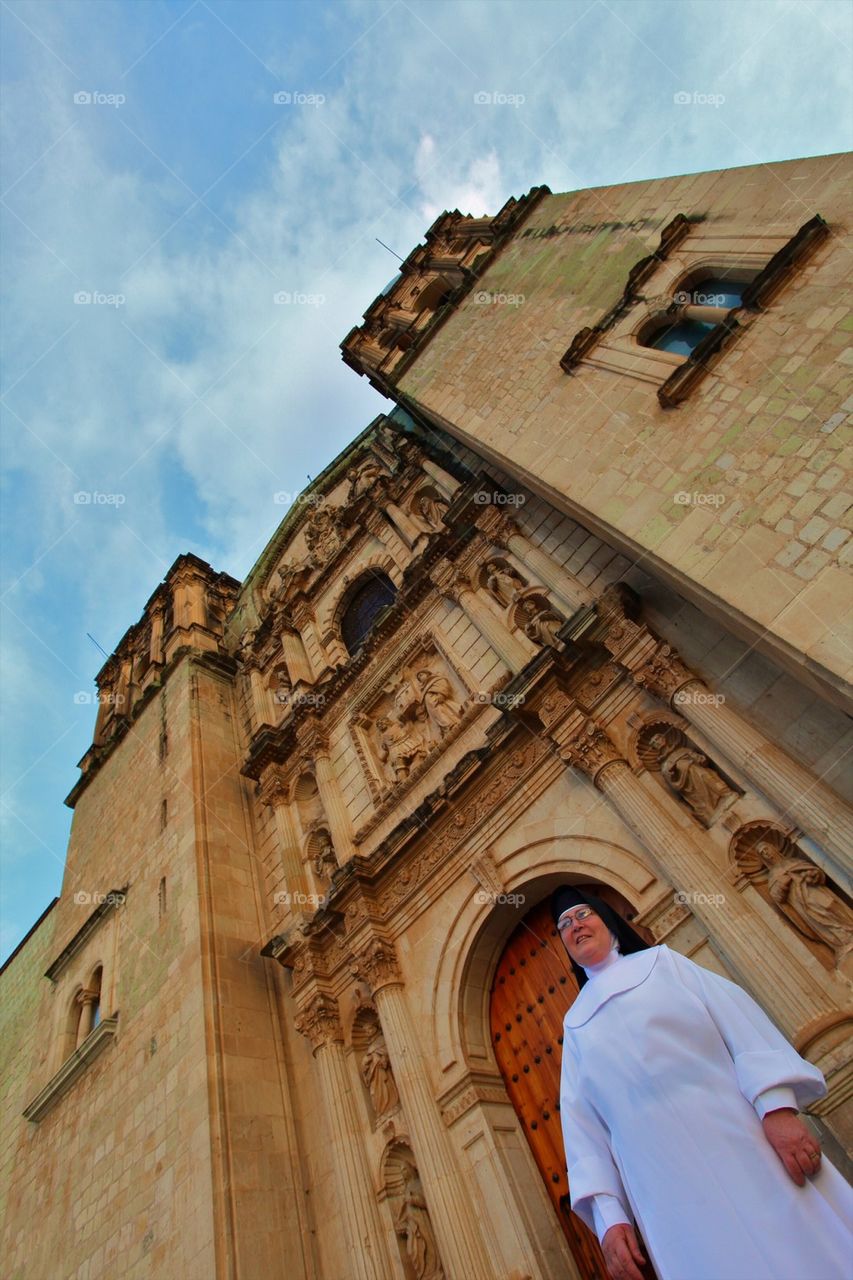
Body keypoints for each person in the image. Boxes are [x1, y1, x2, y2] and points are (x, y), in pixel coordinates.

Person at [552, 885, 853, 1280]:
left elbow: (740, 1027)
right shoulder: (574, 1026)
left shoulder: (666, 964)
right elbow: (582, 1132)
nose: (575, 926)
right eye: (564, 924)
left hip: (746, 1144)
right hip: (666, 1190)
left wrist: (777, 1108)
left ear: (607, 921)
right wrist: (609, 1218)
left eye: (582, 914)